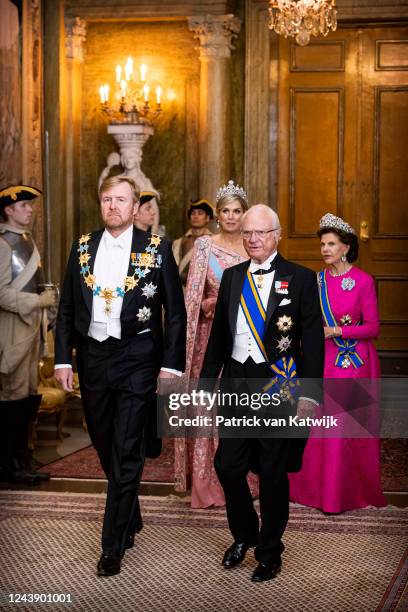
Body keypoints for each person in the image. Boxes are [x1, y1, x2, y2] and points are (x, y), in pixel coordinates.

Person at [54, 176, 186, 577]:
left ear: (134, 208)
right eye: (107, 199)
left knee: (127, 448)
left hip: (137, 358)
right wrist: (63, 360)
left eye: (121, 200)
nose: (113, 206)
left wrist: (170, 365)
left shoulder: (158, 249)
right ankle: (131, 513)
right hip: (93, 358)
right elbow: (65, 310)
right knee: (104, 440)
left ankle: (112, 545)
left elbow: (175, 313)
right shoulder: (81, 247)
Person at [199, 204, 324, 582]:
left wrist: (309, 395)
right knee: (227, 466)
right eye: (248, 233)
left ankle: (270, 550)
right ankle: (244, 534)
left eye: (261, 232)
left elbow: (313, 343)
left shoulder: (301, 279)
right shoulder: (234, 278)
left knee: (271, 472)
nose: (252, 239)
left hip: (279, 387)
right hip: (236, 386)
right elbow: (219, 337)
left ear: (277, 235)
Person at [289, 213, 387, 513]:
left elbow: (373, 328)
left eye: (332, 244)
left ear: (346, 247)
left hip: (355, 362)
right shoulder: (313, 281)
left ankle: (344, 494)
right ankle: (314, 492)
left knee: (343, 430)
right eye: (322, 244)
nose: (325, 249)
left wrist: (337, 330)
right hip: (322, 360)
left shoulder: (363, 281)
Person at [175, 180, 254, 508]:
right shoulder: (205, 246)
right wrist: (210, 306)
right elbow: (192, 298)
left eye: (237, 211)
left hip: (247, 340)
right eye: (226, 211)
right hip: (209, 341)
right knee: (209, 411)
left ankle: (246, 479)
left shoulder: (255, 244)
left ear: (245, 214)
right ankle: (208, 486)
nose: (232, 217)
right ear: (217, 215)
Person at [0, 185, 55, 484]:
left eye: (30, 205)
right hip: (12, 331)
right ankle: (9, 464)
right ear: (8, 209)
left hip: (33, 327)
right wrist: (38, 301)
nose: (30, 209)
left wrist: (47, 303)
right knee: (14, 396)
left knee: (28, 396)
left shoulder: (26, 241)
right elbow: (1, 295)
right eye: (23, 205)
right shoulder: (3, 245)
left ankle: (22, 456)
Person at [172, 199, 214, 287]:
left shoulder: (214, 242)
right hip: (182, 291)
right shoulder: (178, 243)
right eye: (193, 213)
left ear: (207, 218)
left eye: (200, 213)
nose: (195, 216)